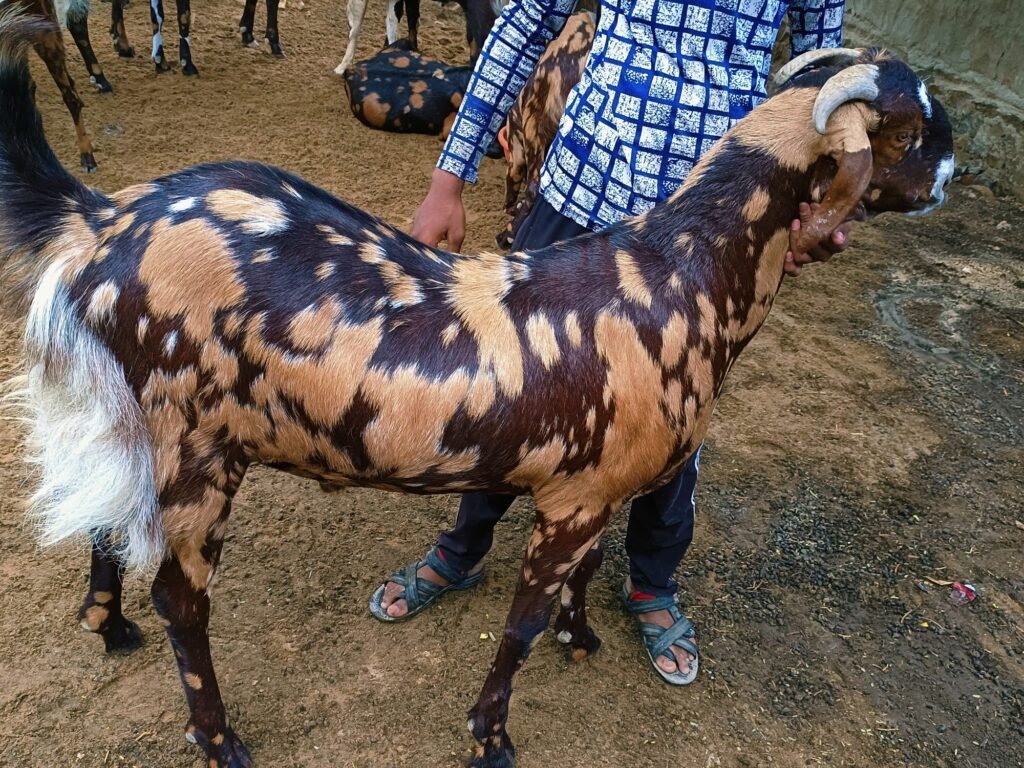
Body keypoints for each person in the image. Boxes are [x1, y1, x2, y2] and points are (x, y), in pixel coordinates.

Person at [370, 0, 850, 686]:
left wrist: (819, 205)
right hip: (583, 191)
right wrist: (450, 175)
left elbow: (823, 83)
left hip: (713, 232)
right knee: (509, 387)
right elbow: (527, 20)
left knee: (668, 416)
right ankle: (462, 546)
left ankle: (652, 582)